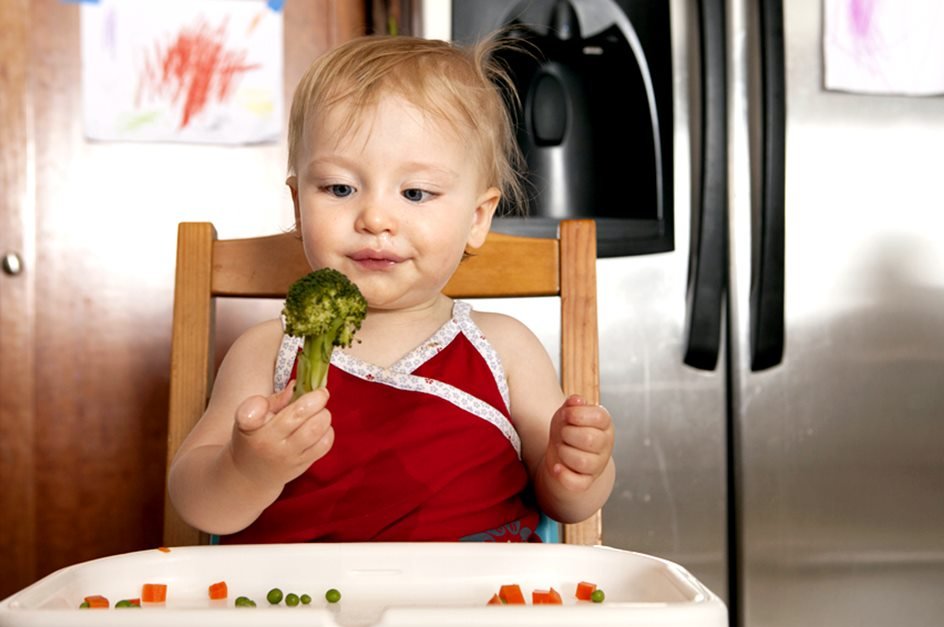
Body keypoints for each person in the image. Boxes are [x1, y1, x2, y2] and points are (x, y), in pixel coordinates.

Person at [167, 34, 615, 543]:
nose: (375, 217)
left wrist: (580, 468)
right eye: (339, 189)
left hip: (477, 610)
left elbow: (568, 504)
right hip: (297, 611)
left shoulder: (506, 348)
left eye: (416, 192)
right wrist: (248, 469)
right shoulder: (267, 352)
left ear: (477, 218)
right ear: (298, 205)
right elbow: (195, 503)